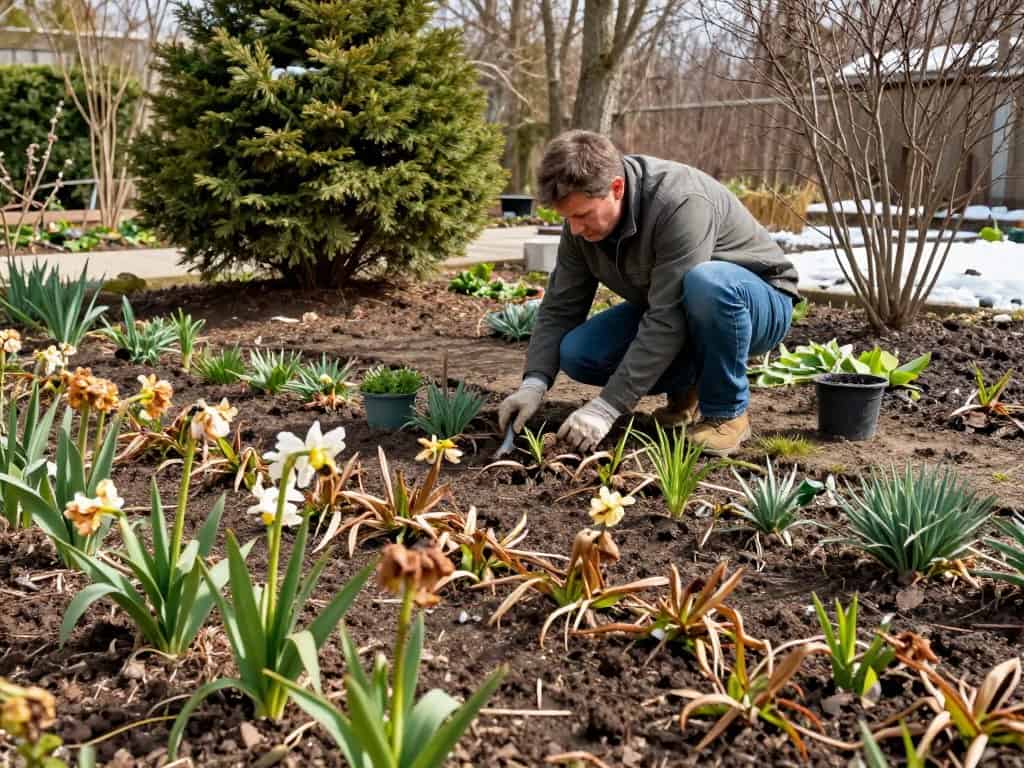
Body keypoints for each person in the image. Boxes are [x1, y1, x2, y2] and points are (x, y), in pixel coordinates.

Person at [497, 130, 800, 456]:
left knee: (706, 283)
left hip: (758, 303)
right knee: (580, 352)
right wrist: (534, 382)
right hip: (684, 307)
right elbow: (560, 306)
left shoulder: (679, 203)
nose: (574, 229)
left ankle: (727, 412)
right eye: (567, 218)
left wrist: (608, 407)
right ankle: (687, 392)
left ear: (616, 188)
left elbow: (668, 316)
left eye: (582, 215)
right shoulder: (581, 226)